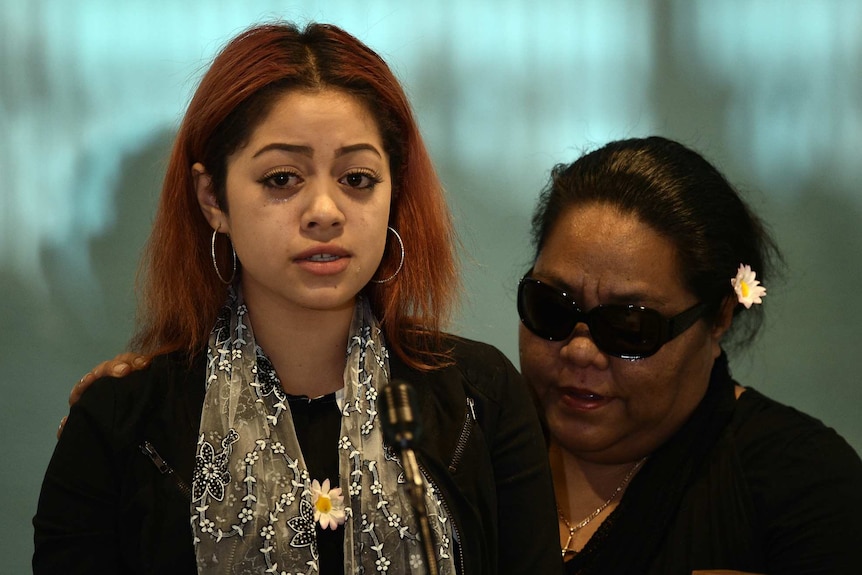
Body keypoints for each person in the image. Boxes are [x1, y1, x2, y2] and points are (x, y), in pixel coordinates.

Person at [33, 22, 561, 575]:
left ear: (394, 191)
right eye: (282, 178)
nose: (326, 211)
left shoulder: (481, 397)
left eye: (357, 178)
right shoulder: (123, 422)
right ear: (213, 198)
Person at [516, 136, 862, 574]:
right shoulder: (472, 448)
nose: (581, 350)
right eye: (551, 307)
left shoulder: (801, 483)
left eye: (628, 327)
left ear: (719, 317)